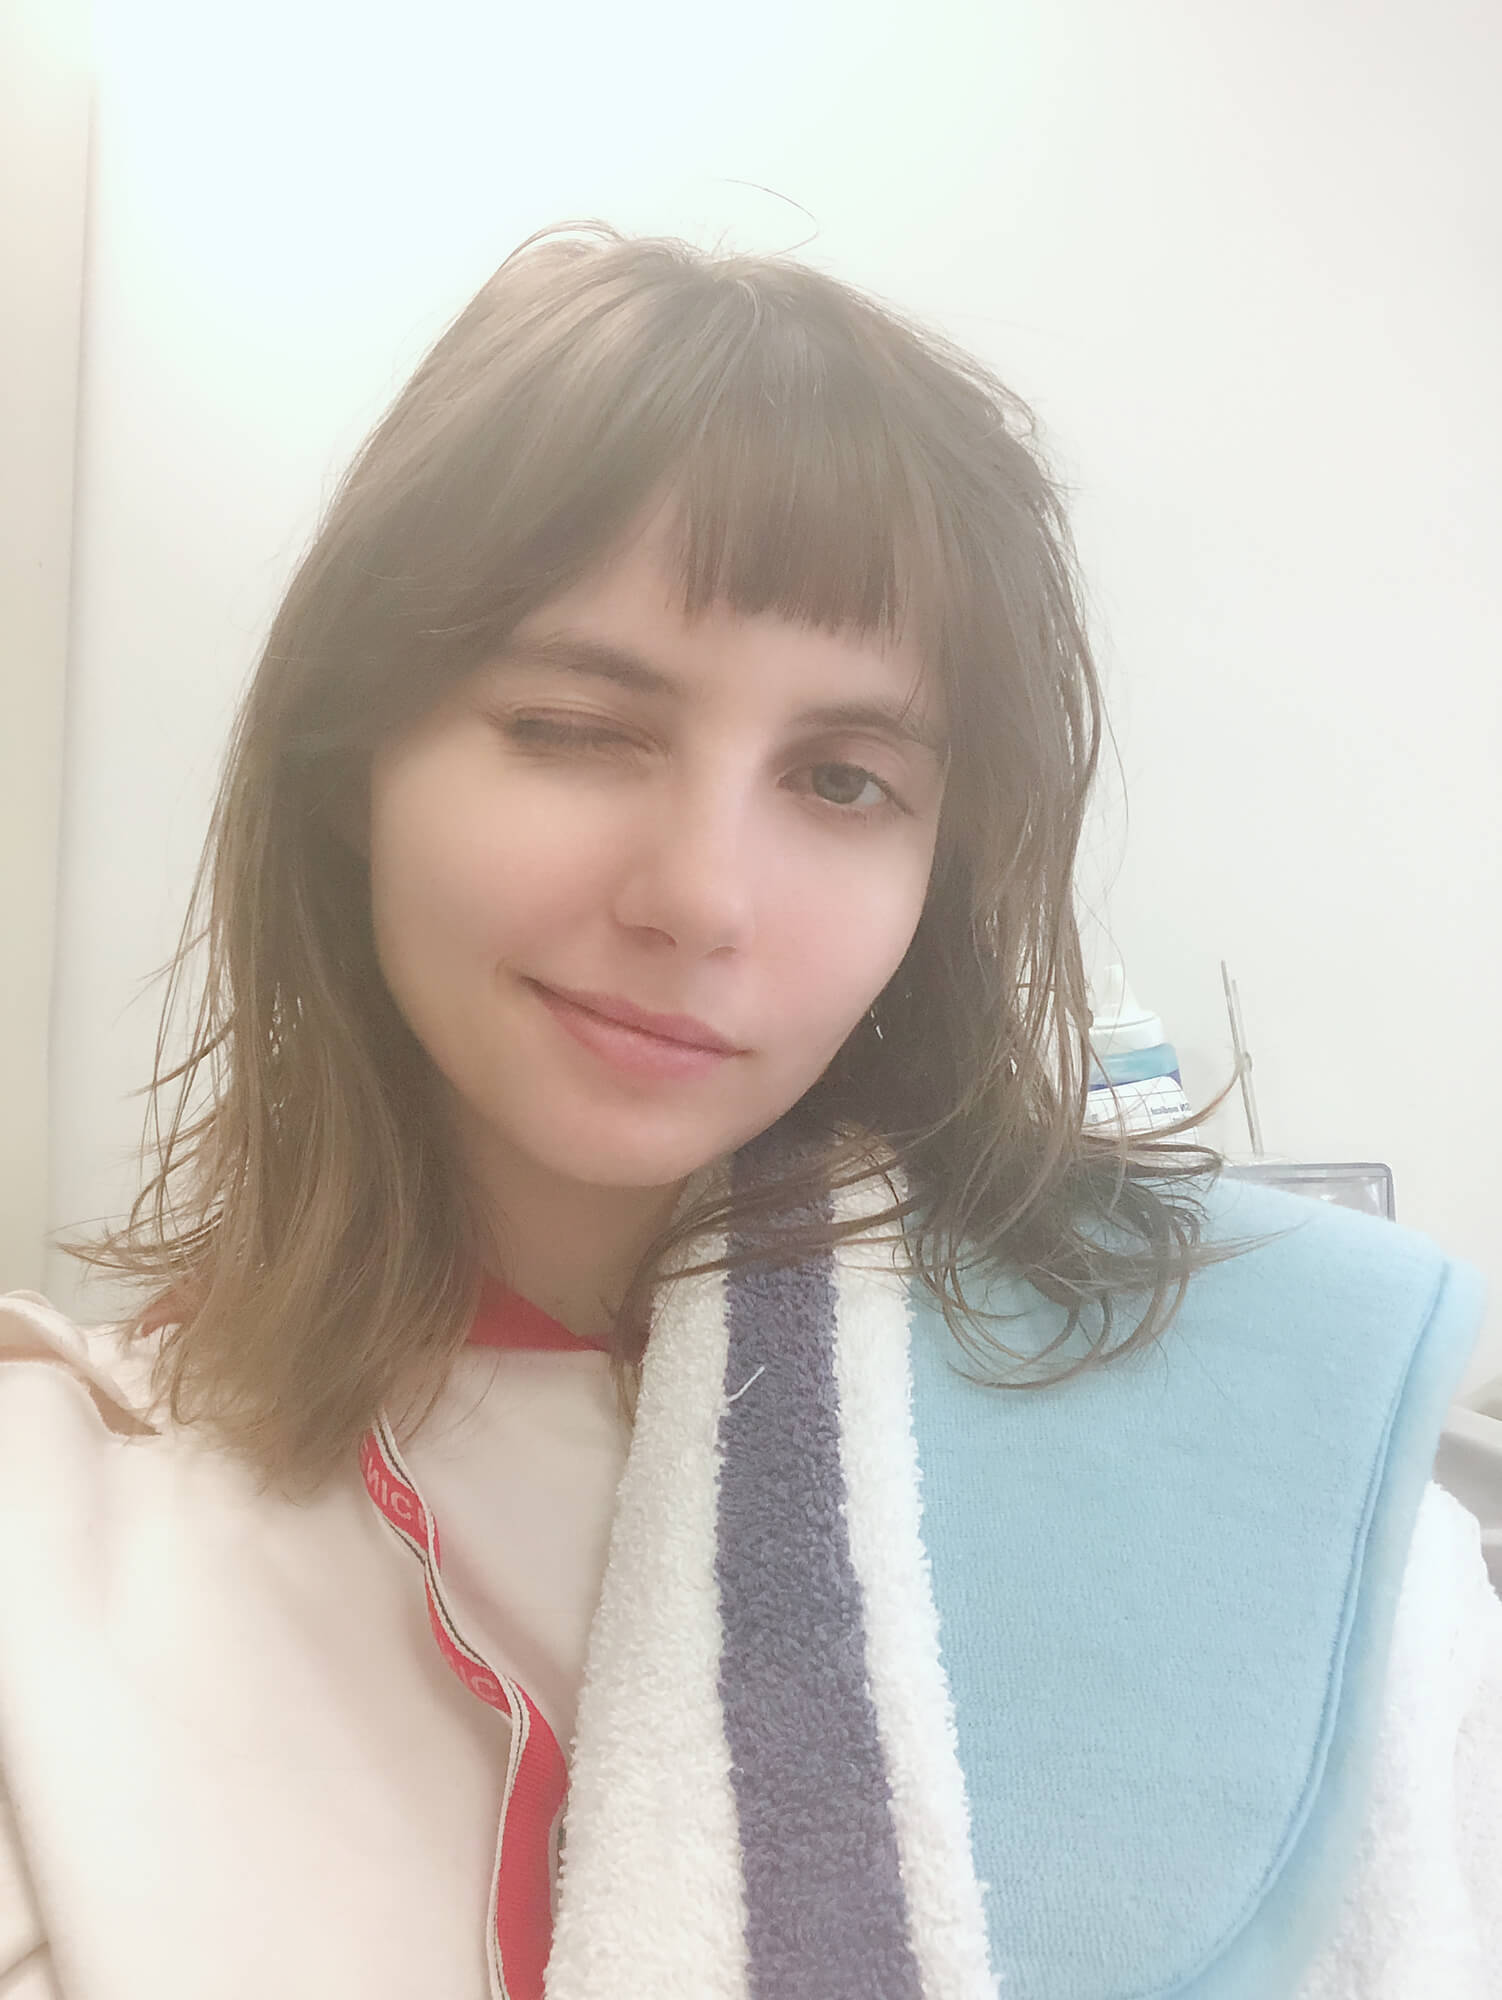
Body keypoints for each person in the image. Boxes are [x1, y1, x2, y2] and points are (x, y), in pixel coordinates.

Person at [1, 221, 1497, 2000]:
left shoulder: (1278, 1504)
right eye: (576, 726)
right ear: (351, 770)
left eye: (843, 779)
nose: (701, 896)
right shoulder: (58, 1538)